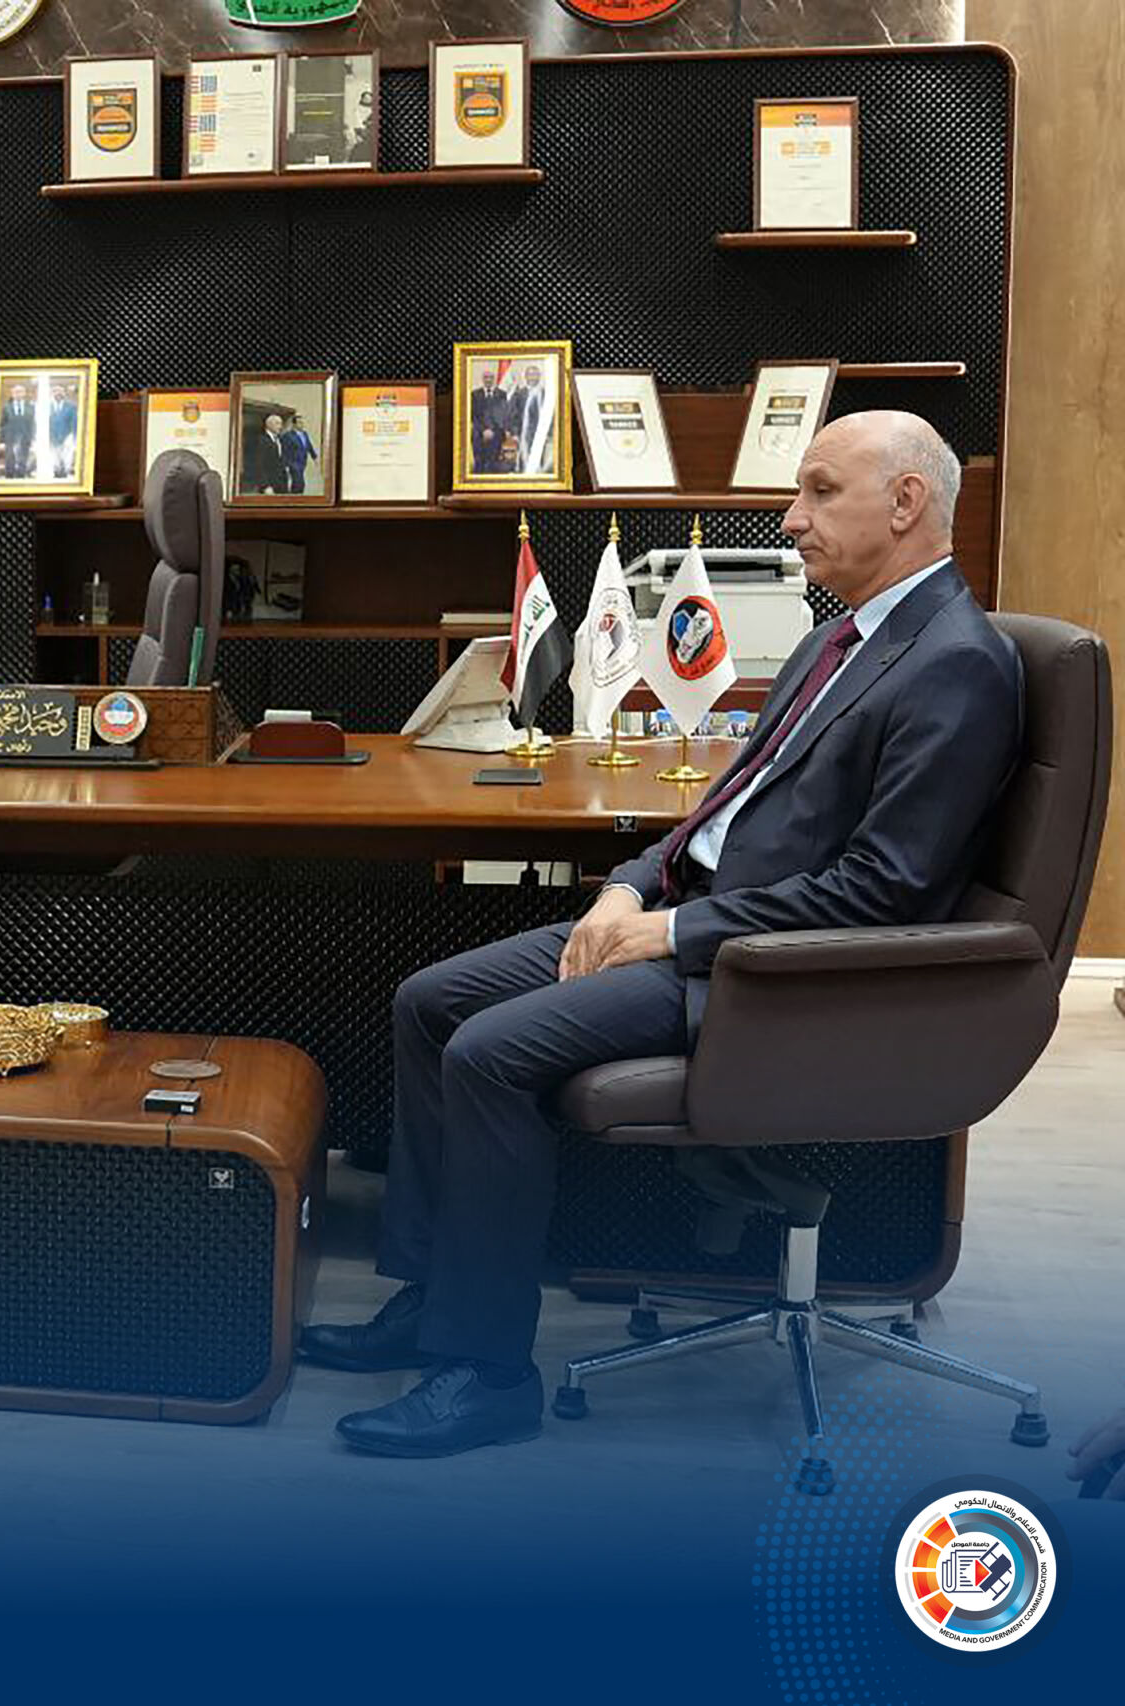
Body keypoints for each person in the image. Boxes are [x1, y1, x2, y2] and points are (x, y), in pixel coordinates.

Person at [297, 411, 1022, 1458]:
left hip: (769, 975)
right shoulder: (838, 638)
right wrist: (627, 891)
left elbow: (881, 892)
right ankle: (435, 1297)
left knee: (487, 1051)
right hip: (698, 924)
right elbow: (720, 812)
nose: (791, 518)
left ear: (906, 502)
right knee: (429, 1001)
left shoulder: (955, 661)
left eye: (819, 491)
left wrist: (677, 931)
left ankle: (487, 1372)